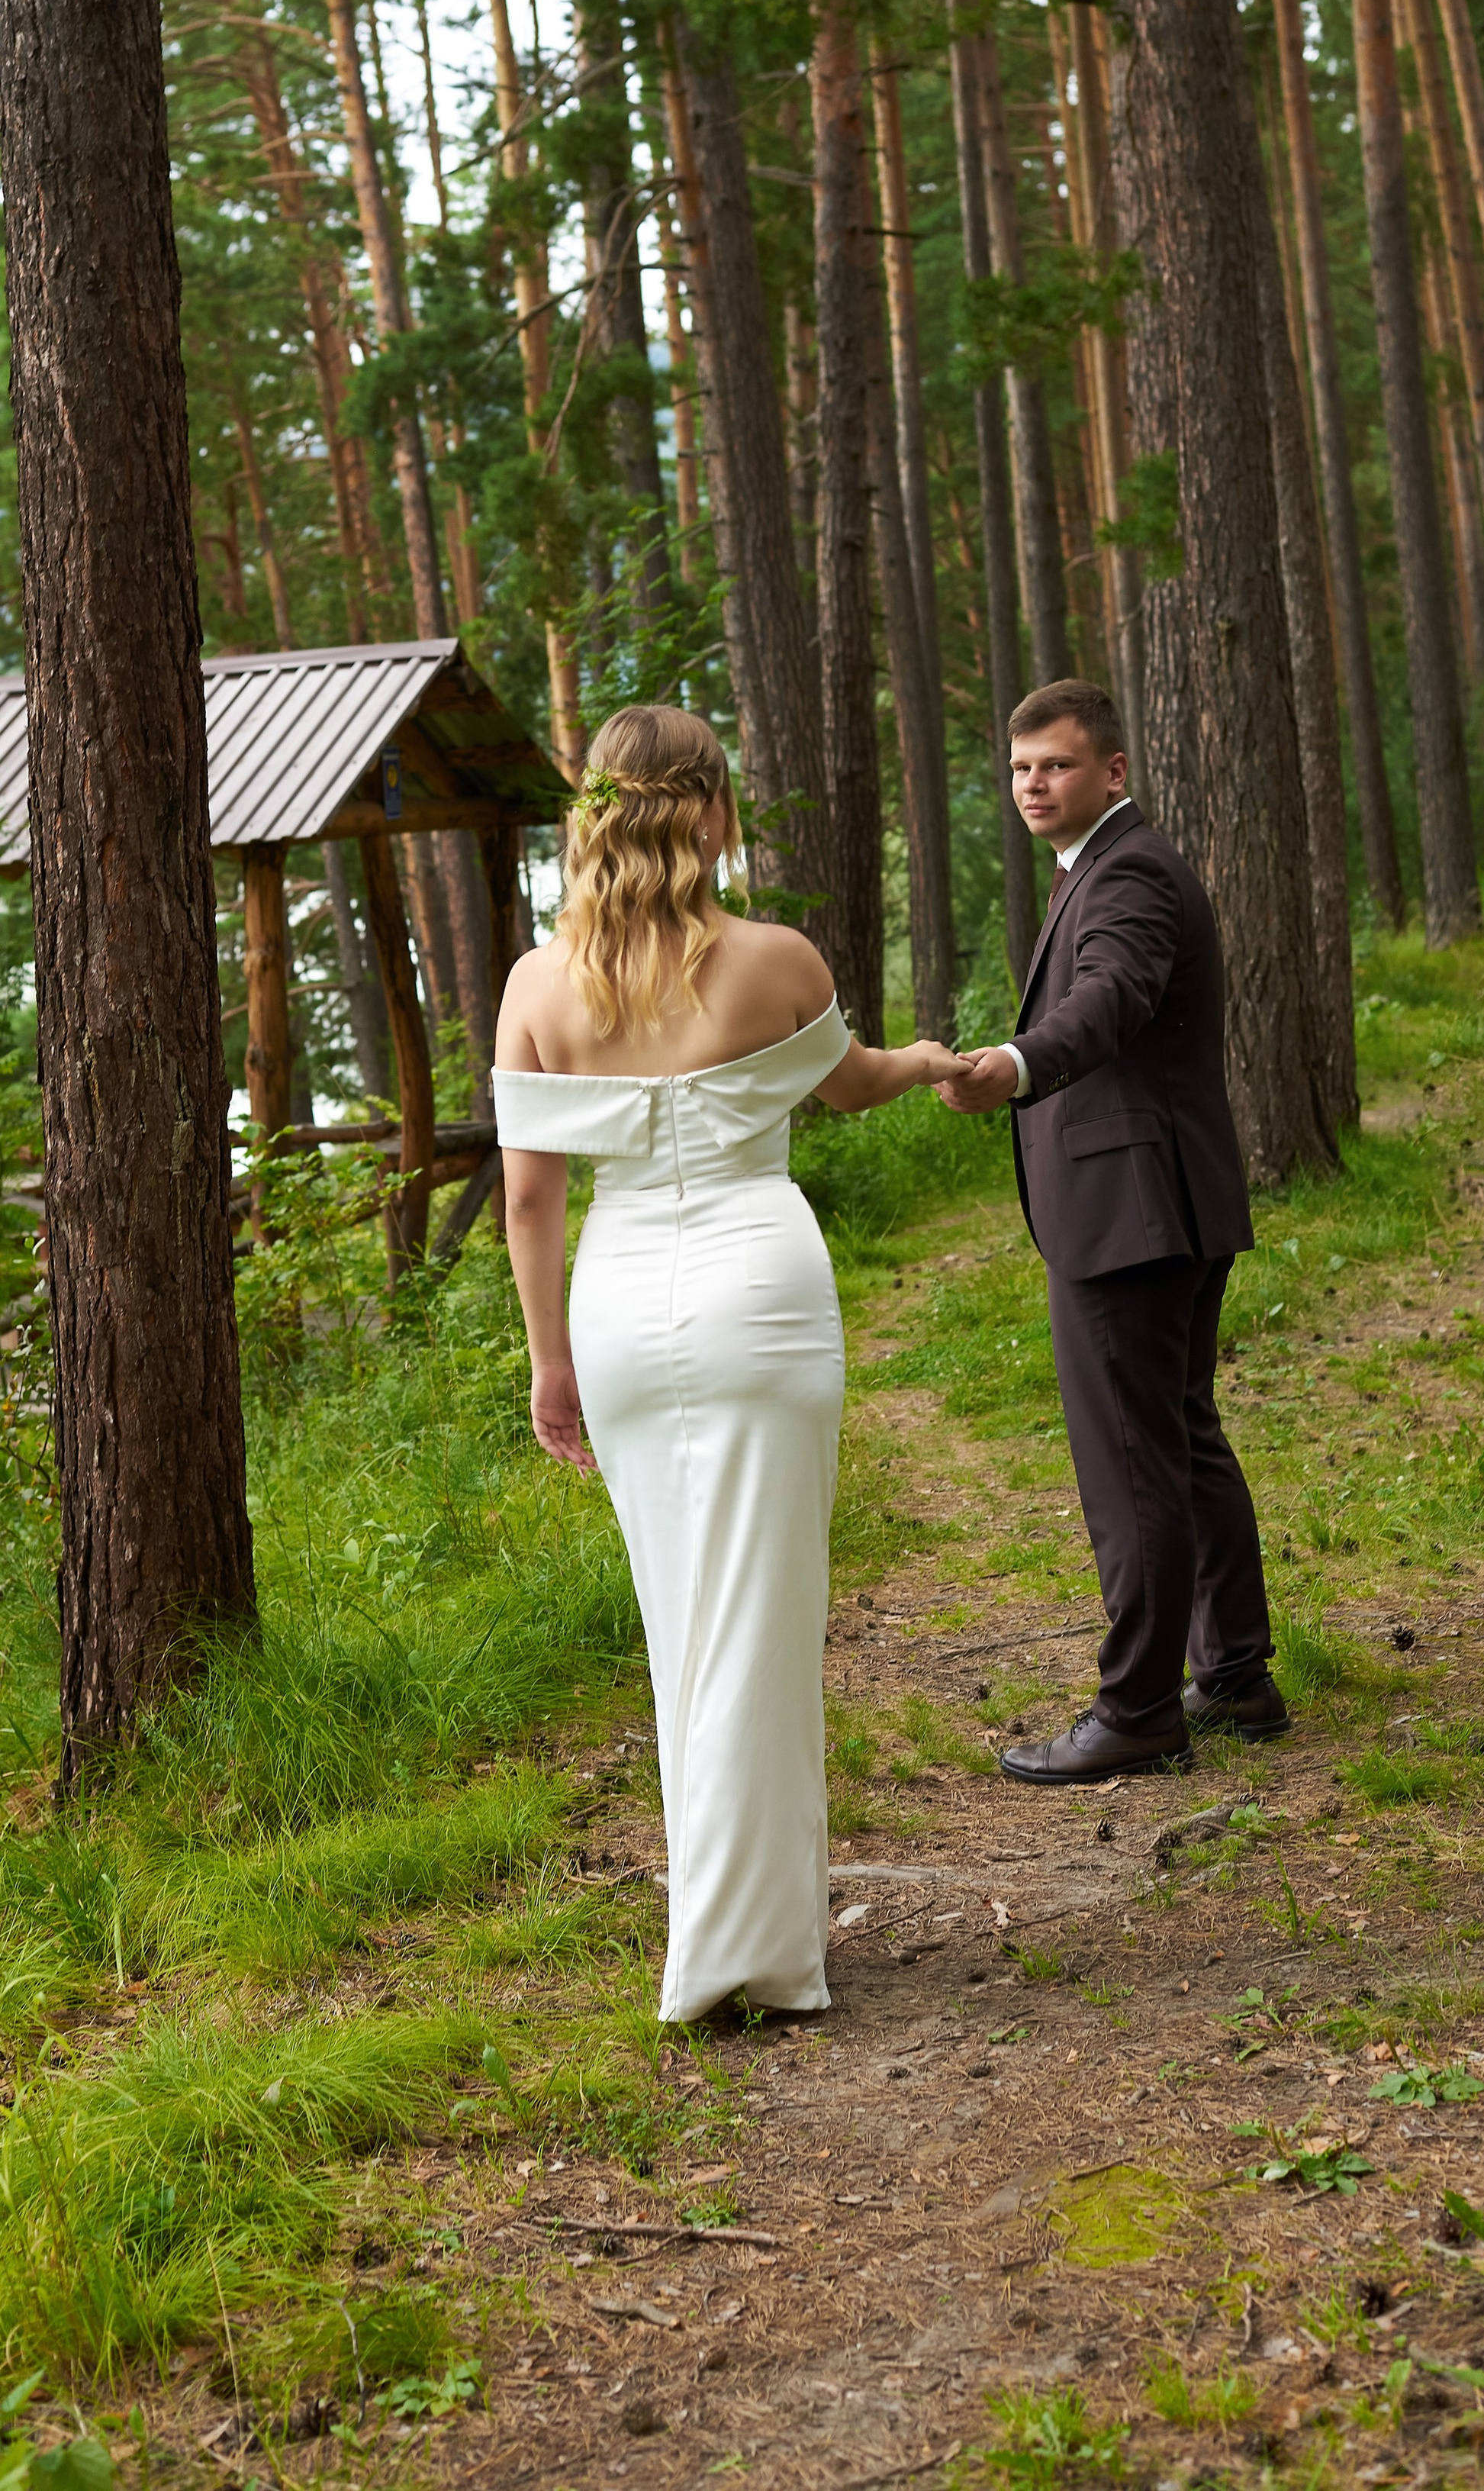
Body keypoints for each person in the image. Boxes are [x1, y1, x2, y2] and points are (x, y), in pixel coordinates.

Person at [493, 705, 963, 2025]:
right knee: (765, 1619)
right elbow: (851, 1083)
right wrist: (930, 1059)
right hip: (761, 1288)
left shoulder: (539, 987)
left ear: (597, 814)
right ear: (708, 809)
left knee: (679, 1622)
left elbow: (531, 1203)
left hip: (626, 1304)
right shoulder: (775, 960)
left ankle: (726, 1942)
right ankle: (756, 1951)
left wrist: (551, 1362)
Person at [935, 679, 1289, 1783]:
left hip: (1135, 1216)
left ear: (1114, 772)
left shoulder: (1129, 870)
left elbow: (1113, 995)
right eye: (1021, 769)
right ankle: (1233, 1674)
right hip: (1164, 1201)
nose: (1034, 785)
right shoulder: (1098, 868)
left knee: (1134, 1457)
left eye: (1057, 765)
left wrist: (1019, 1062)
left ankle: (1139, 1709)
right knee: (1180, 1436)